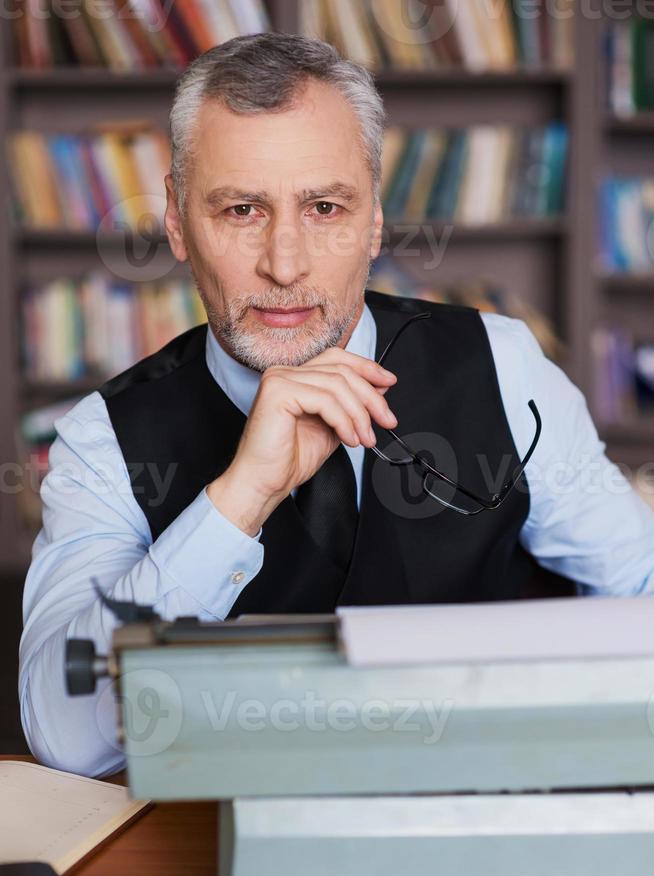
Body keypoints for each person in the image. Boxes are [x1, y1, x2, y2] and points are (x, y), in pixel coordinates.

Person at [19, 32, 654, 778]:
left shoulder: (504, 364)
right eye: (241, 210)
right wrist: (235, 501)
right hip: (222, 842)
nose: (285, 264)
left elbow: (640, 595)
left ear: (376, 220)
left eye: (324, 207)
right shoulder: (103, 439)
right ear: (176, 220)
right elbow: (63, 734)